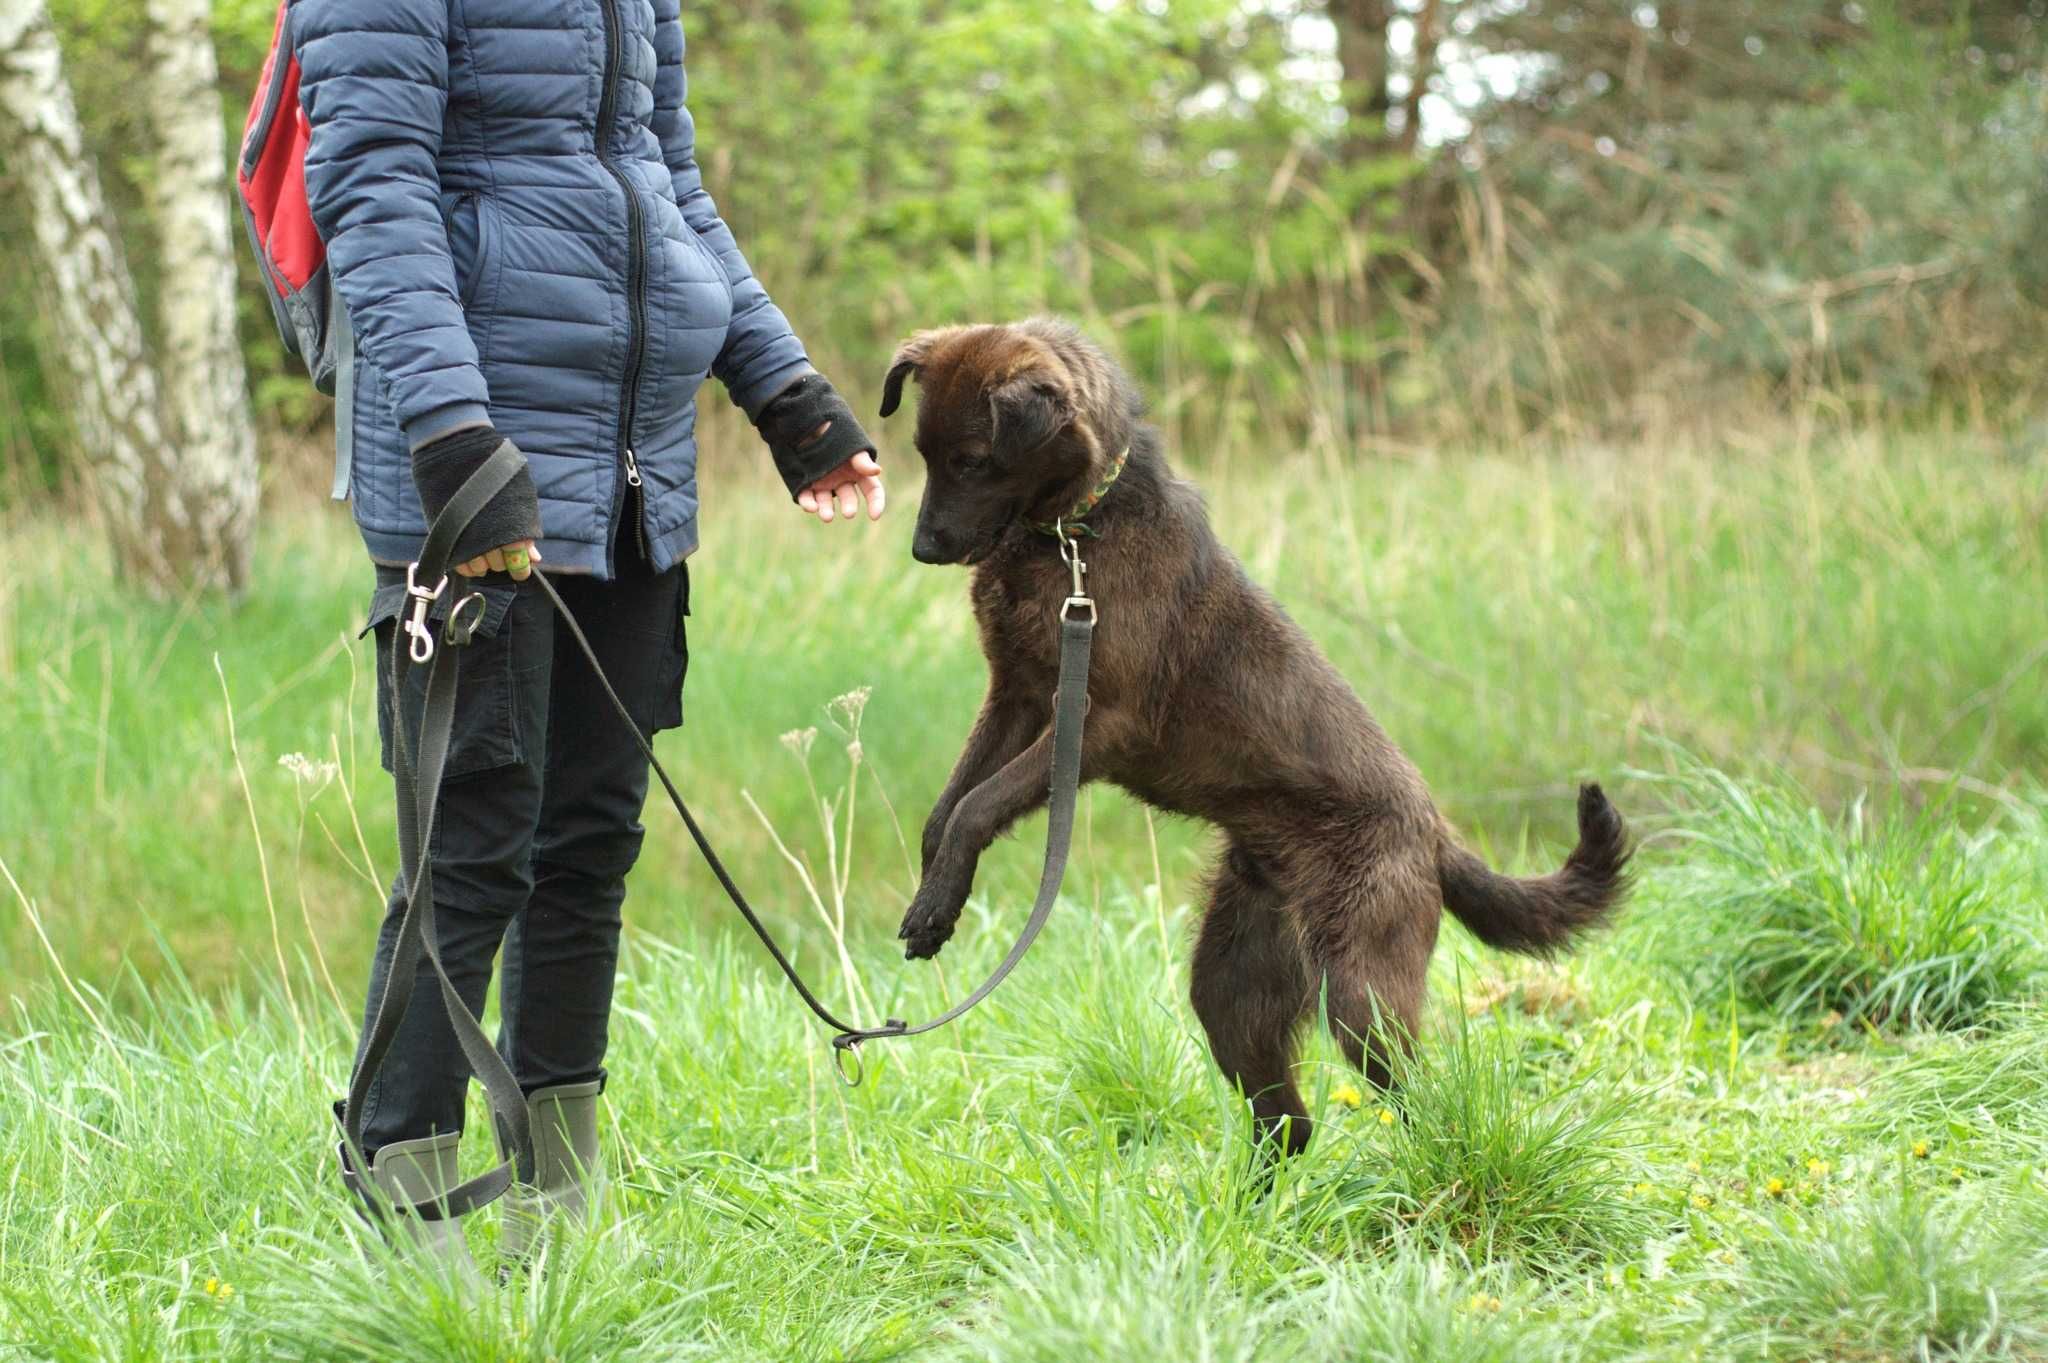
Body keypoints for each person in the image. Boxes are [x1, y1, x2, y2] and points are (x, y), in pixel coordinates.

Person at [291, 0, 885, 1271]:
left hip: (628, 475)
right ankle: (402, 1200)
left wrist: (784, 393)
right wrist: (455, 436)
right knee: (471, 848)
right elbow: (371, 185)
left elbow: (665, 183)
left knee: (588, 842)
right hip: (472, 456)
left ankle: (555, 1206)